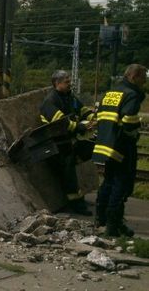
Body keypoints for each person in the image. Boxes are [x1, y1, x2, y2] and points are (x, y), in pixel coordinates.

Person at [93, 64, 147, 237]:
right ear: (134, 77)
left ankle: (100, 219)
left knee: (108, 181)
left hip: (106, 144)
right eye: (143, 77)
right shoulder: (132, 94)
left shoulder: (111, 93)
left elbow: (100, 116)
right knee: (121, 185)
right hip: (122, 145)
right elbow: (129, 119)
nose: (145, 81)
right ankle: (113, 224)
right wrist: (138, 125)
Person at [39, 70, 95, 215]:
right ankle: (77, 206)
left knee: (92, 148)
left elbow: (82, 109)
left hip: (67, 141)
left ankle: (77, 202)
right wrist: (81, 127)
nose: (70, 83)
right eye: (67, 81)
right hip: (56, 144)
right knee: (69, 176)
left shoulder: (69, 96)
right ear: (57, 83)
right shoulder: (50, 101)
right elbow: (61, 124)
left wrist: (92, 118)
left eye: (69, 81)